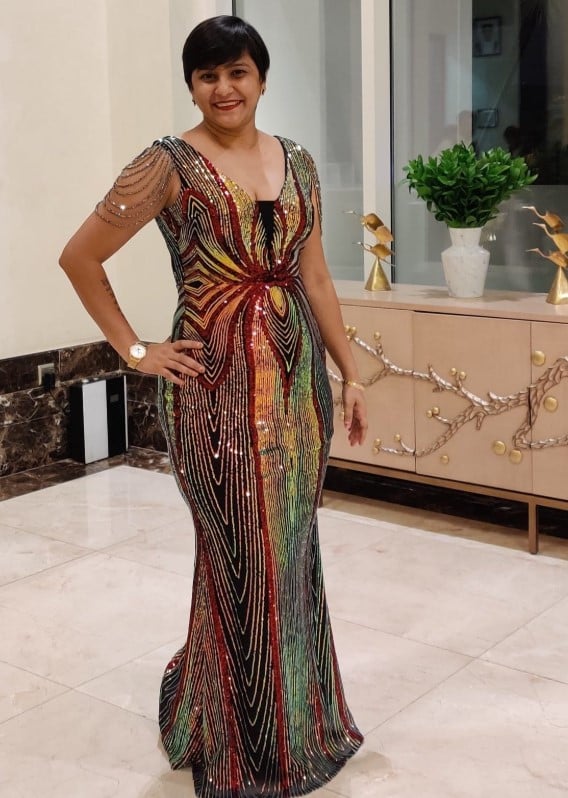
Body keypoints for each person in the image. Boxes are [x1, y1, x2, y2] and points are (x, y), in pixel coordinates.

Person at [59, 15, 367, 798]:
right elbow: (80, 257)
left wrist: (353, 372)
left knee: (290, 550)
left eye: (237, 72)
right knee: (237, 554)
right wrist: (137, 352)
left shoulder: (299, 162)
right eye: (208, 75)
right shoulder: (165, 165)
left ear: (261, 78)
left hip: (297, 390)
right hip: (211, 391)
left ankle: (301, 724)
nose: (225, 88)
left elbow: (315, 278)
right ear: (192, 86)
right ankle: (241, 740)